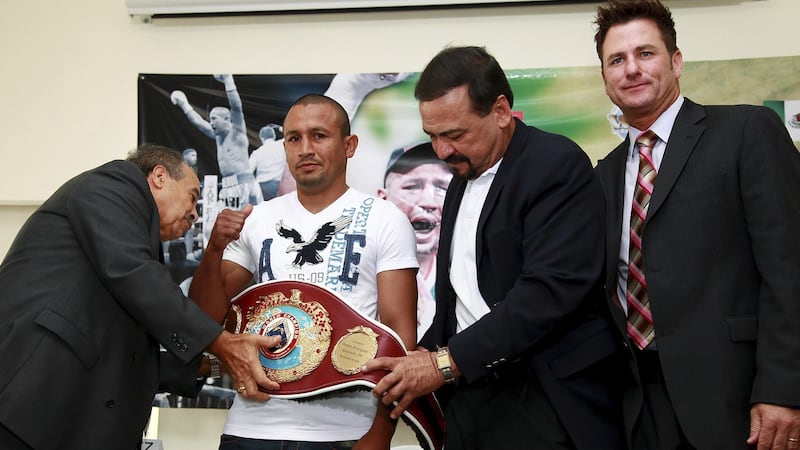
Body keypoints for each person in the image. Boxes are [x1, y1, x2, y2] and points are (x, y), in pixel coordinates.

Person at [363, 46, 625, 450]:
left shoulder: (555, 164)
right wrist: (411, 359)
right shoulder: (459, 179)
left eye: (454, 134)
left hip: (543, 397)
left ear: (501, 111)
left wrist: (441, 364)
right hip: (470, 397)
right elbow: (459, 304)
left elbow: (546, 294)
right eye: (432, 136)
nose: (442, 151)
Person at [592, 1, 800, 449]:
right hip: (639, 405)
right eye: (617, 60)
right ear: (605, 78)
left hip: (738, 399)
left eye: (645, 53)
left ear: (676, 60)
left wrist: (784, 390)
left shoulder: (746, 131)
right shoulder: (604, 173)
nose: (631, 69)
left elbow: (790, 271)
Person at [0, 144, 281, 449]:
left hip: (64, 415)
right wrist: (224, 343)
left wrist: (217, 364)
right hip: (31, 403)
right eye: (193, 195)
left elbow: (132, 357)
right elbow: (133, 272)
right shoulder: (113, 183)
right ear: (160, 176)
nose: (195, 213)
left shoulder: (135, 251)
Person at [189, 94, 419, 450]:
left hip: (344, 430)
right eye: (294, 138)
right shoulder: (257, 218)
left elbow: (400, 339)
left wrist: (380, 432)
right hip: (252, 426)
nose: (305, 148)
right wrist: (214, 249)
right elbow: (205, 318)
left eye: (319, 135)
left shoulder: (384, 219)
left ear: (349, 145)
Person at [377, 142, 452, 340]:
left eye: (441, 188)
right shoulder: (358, 271)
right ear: (382, 199)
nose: (428, 201)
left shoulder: (467, 274)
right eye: (412, 186)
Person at [171, 74, 264, 210]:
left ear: (226, 119)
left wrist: (228, 81)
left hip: (245, 184)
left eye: (214, 118)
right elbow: (199, 123)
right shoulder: (218, 135)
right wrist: (184, 104)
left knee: (250, 226)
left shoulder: (237, 132)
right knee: (226, 225)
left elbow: (236, 107)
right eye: (211, 119)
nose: (211, 122)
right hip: (228, 186)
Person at [249, 123, 286, 201]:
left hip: (262, 187)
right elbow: (293, 133)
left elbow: (248, 171)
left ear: (261, 138)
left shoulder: (256, 153)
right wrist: (279, 128)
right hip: (280, 186)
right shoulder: (282, 145)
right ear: (274, 136)